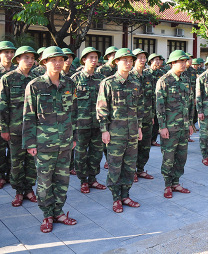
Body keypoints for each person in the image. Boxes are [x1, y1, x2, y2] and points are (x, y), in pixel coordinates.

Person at [23, 46, 78, 233]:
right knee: (45, 181)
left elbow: (74, 113)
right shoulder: (35, 85)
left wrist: (74, 137)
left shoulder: (70, 84)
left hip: (65, 142)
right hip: (43, 144)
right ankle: (47, 214)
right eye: (53, 60)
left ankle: (59, 212)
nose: (57, 63)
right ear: (44, 62)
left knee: (63, 180)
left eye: (61, 60)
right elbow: (28, 116)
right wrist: (30, 143)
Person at [96, 48, 143, 213]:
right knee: (115, 166)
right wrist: (104, 130)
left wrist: (139, 128)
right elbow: (102, 109)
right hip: (115, 133)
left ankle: (126, 195)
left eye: (130, 60)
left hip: (131, 133)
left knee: (130, 166)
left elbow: (139, 109)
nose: (128, 63)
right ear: (116, 62)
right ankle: (116, 198)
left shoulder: (136, 83)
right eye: (124, 60)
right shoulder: (108, 83)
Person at [0, 46, 38, 206]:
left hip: (34, 130)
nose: (30, 61)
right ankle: (18, 191)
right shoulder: (7, 79)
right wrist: (4, 128)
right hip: (15, 129)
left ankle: (29, 189)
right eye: (26, 58)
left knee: (31, 161)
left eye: (32, 58)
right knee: (16, 162)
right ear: (17, 60)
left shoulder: (37, 79)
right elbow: (2, 106)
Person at [156, 50, 194, 199]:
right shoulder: (164, 81)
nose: (184, 64)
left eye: (185, 61)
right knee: (168, 157)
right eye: (181, 61)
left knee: (181, 157)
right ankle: (167, 184)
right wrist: (162, 126)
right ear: (172, 63)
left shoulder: (186, 80)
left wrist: (190, 123)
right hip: (170, 127)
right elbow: (159, 106)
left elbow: (190, 104)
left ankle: (176, 182)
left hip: (183, 127)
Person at [71, 47, 107, 194]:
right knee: (80, 154)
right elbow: (70, 105)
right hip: (81, 125)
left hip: (98, 124)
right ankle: (83, 180)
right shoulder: (75, 79)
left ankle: (92, 178)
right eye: (90, 57)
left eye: (95, 57)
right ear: (84, 60)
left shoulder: (102, 79)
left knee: (96, 153)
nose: (94, 60)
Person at [130, 48, 155, 182]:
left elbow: (151, 97)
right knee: (134, 146)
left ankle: (140, 169)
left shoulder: (148, 76)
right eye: (140, 57)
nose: (143, 60)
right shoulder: (129, 76)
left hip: (146, 116)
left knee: (145, 145)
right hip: (134, 118)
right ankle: (132, 170)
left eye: (144, 57)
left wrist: (151, 114)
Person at [0, 40, 17, 189]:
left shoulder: (18, 71)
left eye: (12, 52)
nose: (9, 55)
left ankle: (12, 175)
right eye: (6, 52)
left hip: (15, 118)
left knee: (13, 150)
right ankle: (1, 176)